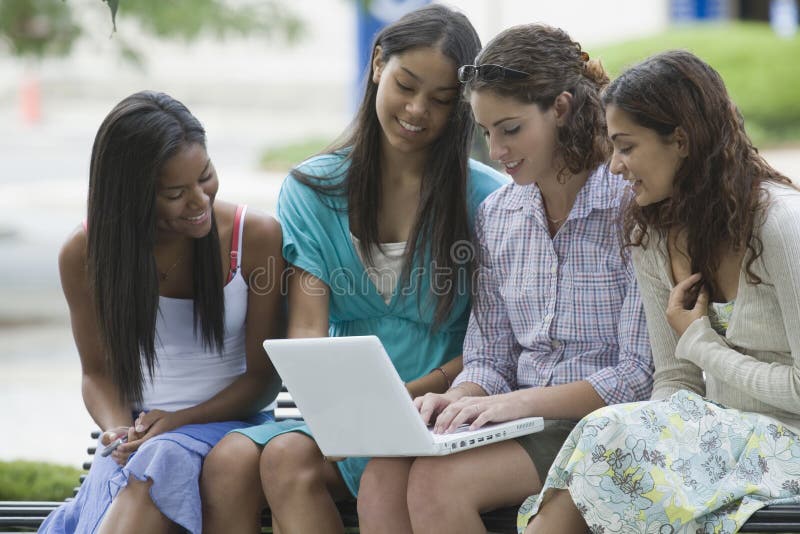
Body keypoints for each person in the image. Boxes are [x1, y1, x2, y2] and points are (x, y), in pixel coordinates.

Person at [199, 5, 507, 534]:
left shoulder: (489, 200)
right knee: (263, 459)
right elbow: (308, 330)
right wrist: (339, 411)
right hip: (344, 403)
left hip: (445, 404)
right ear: (376, 64)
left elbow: (497, 343)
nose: (417, 110)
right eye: (406, 85)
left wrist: (409, 395)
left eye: (441, 101)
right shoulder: (312, 189)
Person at [356, 23, 654, 534]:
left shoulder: (631, 206)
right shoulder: (498, 215)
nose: (496, 150)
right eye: (486, 132)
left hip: (606, 429)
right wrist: (460, 399)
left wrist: (510, 403)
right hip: (520, 419)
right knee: (382, 473)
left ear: (560, 109)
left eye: (510, 129)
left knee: (436, 483)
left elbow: (635, 377)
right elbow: (491, 358)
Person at [522, 49, 800, 534]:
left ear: (681, 141)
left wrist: (702, 343)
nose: (614, 167)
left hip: (788, 444)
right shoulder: (652, 235)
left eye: (626, 147)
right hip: (717, 438)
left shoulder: (778, 224)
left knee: (607, 433)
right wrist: (653, 449)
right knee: (605, 458)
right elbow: (675, 382)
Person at [38, 91, 284, 534]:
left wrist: (176, 423)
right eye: (175, 193)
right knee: (152, 462)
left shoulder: (255, 237)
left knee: (162, 459)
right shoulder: (85, 253)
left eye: (206, 176)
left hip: (230, 427)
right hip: (140, 439)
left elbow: (262, 381)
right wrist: (117, 431)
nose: (200, 200)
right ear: (131, 199)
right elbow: (97, 373)